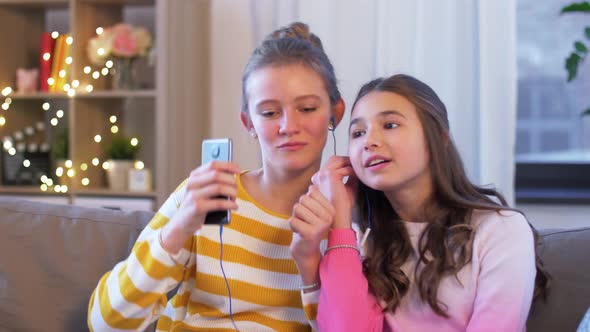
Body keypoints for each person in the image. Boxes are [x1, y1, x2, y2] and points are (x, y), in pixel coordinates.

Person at [88, 22, 344, 331]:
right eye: (269, 113)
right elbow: (105, 324)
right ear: (248, 123)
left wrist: (311, 269)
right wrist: (180, 227)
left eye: (306, 108)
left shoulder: (345, 223)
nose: (288, 125)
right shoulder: (205, 196)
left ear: (335, 113)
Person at [290, 74, 549, 331]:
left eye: (390, 125)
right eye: (358, 132)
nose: (368, 141)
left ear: (438, 137)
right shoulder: (359, 242)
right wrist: (340, 223)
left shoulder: (501, 230)